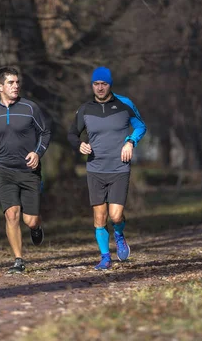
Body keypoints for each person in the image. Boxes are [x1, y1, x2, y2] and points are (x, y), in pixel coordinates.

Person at [0, 66, 51, 274]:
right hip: (4, 170)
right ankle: (18, 260)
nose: (16, 86)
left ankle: (36, 227)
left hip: (28, 170)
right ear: (0, 86)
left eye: (17, 82)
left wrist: (37, 153)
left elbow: (45, 133)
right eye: (10, 83)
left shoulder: (29, 108)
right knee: (11, 215)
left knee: (29, 220)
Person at [68, 66, 146, 270]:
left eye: (104, 84)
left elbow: (140, 126)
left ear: (110, 84)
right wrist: (79, 144)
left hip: (119, 168)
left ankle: (119, 234)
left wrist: (130, 141)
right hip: (95, 168)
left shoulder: (125, 104)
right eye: (96, 84)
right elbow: (72, 134)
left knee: (116, 215)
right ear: (92, 85)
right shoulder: (85, 109)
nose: (100, 88)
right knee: (99, 217)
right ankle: (105, 257)